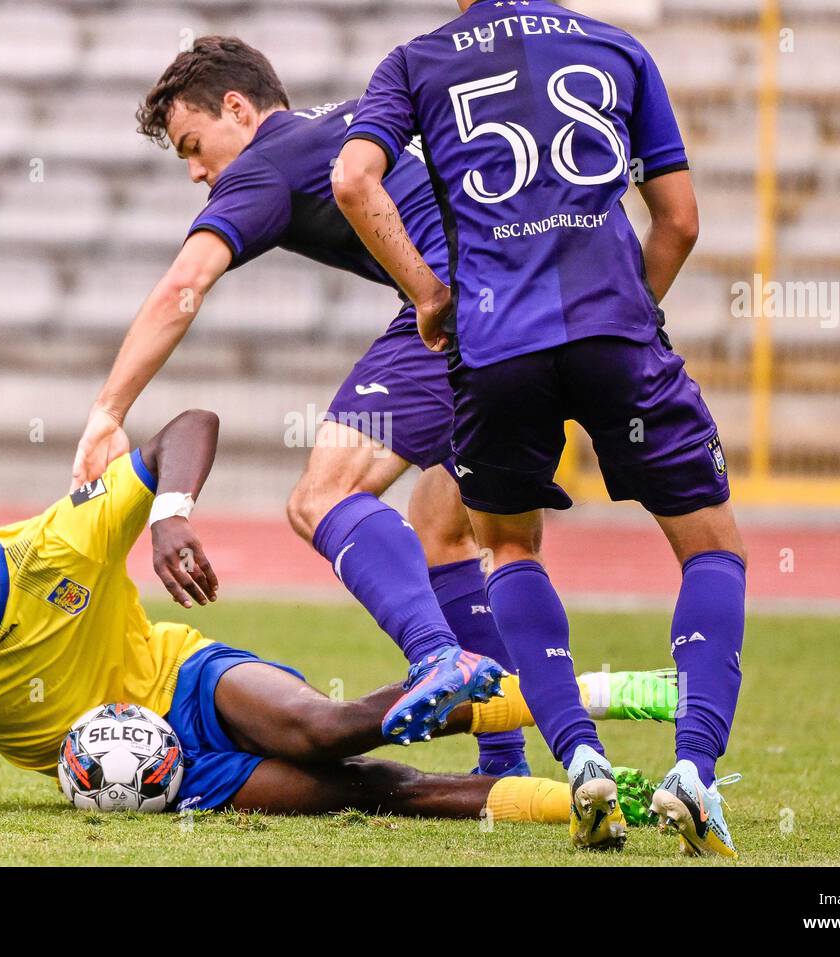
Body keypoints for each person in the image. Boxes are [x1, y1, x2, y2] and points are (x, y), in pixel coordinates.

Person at [0, 409, 674, 834]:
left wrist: (168, 513)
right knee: (369, 788)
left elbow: (187, 424)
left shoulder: (64, 538)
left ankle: (603, 692)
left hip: (184, 677)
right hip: (149, 774)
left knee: (324, 727)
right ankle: (603, 801)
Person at [332, 2, 746, 855]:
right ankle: (694, 771)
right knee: (712, 546)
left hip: (496, 347)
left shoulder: (417, 61)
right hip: (618, 335)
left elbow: (351, 180)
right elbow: (681, 221)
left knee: (511, 551)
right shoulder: (616, 46)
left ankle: (583, 760)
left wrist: (426, 294)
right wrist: (628, 321)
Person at [71, 36, 523, 763]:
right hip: (532, 305)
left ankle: (439, 656)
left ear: (239, 109)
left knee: (320, 497)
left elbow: (183, 287)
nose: (195, 172)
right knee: (443, 528)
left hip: (456, 309)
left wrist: (108, 409)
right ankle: (511, 765)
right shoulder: (341, 126)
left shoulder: (266, 163)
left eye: (193, 144)